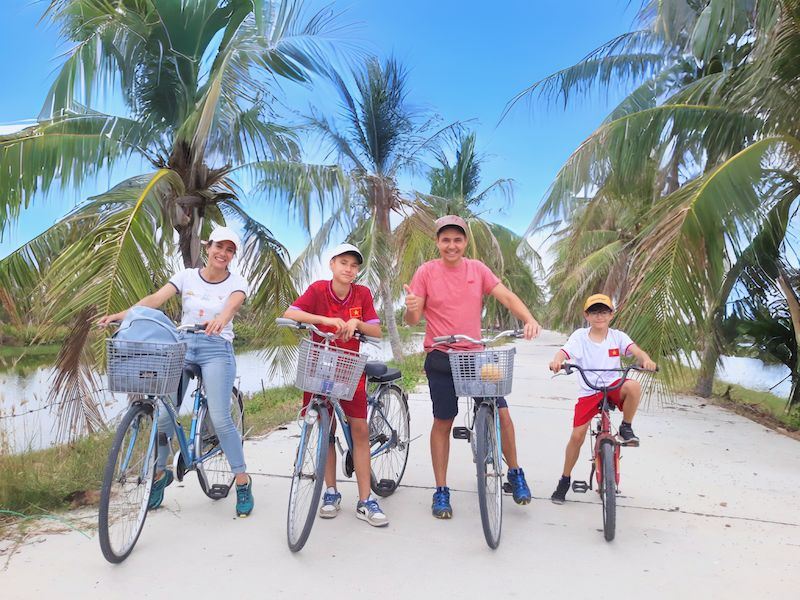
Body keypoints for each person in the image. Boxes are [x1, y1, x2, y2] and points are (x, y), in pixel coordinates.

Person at [98, 226, 254, 517]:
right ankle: (160, 475)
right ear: (208, 247)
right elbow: (155, 300)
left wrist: (221, 318)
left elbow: (233, 304)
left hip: (216, 348)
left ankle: (242, 480)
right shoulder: (186, 276)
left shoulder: (237, 281)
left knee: (221, 418)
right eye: (219, 246)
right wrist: (122, 315)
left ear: (233, 256)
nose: (223, 253)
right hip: (181, 347)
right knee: (164, 417)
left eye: (230, 249)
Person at [404, 215, 542, 519]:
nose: (451, 245)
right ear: (438, 243)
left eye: (457, 239)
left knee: (502, 412)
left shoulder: (477, 269)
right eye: (445, 240)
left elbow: (505, 296)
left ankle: (516, 472)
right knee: (443, 421)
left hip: (475, 357)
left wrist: (529, 318)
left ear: (465, 242)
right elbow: (412, 320)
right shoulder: (426, 272)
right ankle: (441, 490)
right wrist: (412, 310)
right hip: (440, 356)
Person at [283, 243, 389, 527]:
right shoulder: (318, 290)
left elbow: (376, 330)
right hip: (319, 366)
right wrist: (325, 319)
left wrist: (356, 322)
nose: (349, 269)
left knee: (360, 429)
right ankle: (330, 491)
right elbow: (292, 312)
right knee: (324, 430)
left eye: (354, 265)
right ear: (332, 264)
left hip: (350, 368)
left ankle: (366, 500)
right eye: (343, 262)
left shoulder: (362, 294)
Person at [547, 293, 657, 505]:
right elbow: (564, 352)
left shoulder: (618, 336)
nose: (600, 316)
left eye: (604, 312)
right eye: (595, 312)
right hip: (590, 391)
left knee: (633, 386)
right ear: (586, 315)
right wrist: (557, 361)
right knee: (577, 436)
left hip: (613, 386)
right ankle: (564, 480)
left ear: (611, 314)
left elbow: (636, 351)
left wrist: (646, 359)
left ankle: (626, 426)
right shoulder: (580, 336)